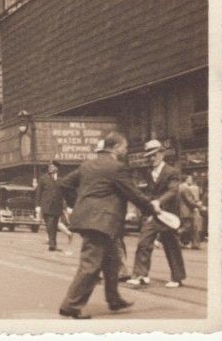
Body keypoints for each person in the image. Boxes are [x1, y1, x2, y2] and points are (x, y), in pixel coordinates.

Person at [57, 132, 158, 319]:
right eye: (125, 148)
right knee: (90, 266)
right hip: (101, 223)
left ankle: (114, 299)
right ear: (116, 147)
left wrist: (77, 204)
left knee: (112, 263)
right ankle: (70, 305)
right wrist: (152, 208)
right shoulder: (117, 167)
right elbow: (132, 193)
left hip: (94, 221)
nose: (126, 151)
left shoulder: (87, 165)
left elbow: (64, 184)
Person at [127, 139, 187, 288]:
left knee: (171, 245)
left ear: (162, 154)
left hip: (168, 215)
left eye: (154, 155)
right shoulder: (147, 172)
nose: (151, 158)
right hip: (153, 214)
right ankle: (141, 274)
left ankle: (177, 278)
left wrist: (159, 202)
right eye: (149, 156)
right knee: (143, 242)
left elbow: (173, 190)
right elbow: (146, 192)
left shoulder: (171, 172)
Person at [36, 160, 67, 251]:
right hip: (47, 206)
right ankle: (52, 244)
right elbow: (38, 193)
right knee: (49, 224)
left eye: (52, 166)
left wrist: (65, 207)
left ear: (57, 168)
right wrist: (37, 206)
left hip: (57, 206)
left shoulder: (61, 180)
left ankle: (53, 242)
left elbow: (63, 193)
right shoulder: (43, 178)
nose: (50, 168)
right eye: (50, 166)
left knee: (54, 225)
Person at [179, 175, 201, 249]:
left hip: (182, 211)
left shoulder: (180, 187)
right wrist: (198, 205)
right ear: (186, 179)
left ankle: (186, 243)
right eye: (190, 179)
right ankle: (173, 236)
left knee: (189, 227)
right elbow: (189, 201)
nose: (191, 180)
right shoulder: (185, 188)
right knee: (186, 227)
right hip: (186, 211)